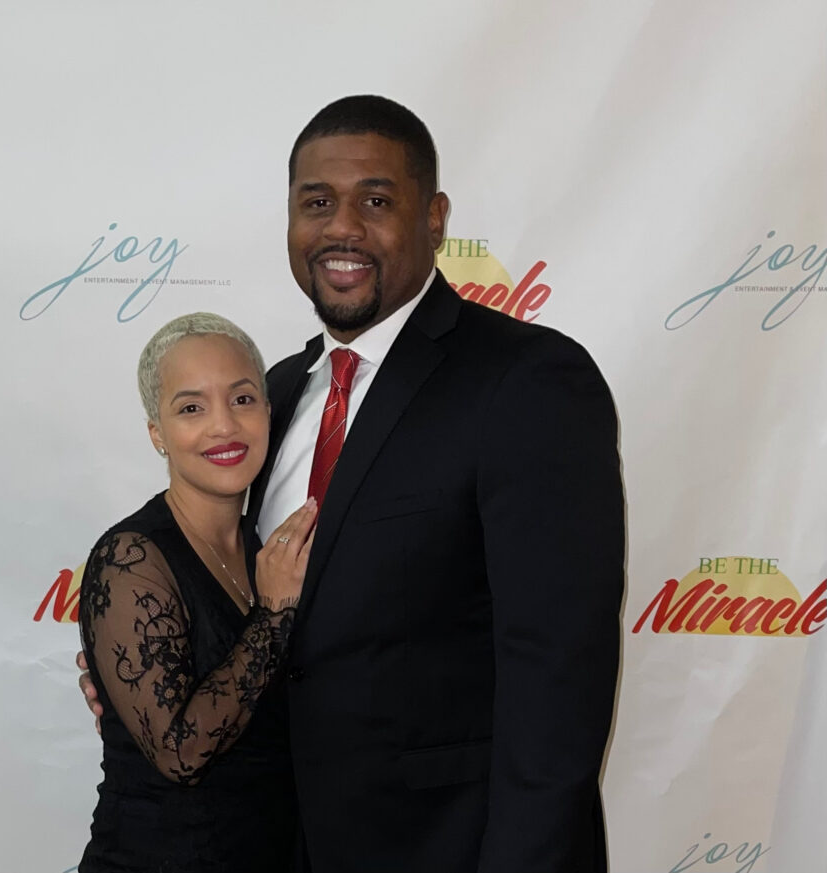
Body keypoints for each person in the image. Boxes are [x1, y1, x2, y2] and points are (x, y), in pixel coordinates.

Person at [82, 96, 625, 872]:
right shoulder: (271, 395)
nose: (341, 228)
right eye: (316, 203)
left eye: (375, 201)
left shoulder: (526, 382)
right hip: (274, 846)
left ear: (434, 218)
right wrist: (142, 681)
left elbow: (559, 679)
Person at [76, 312, 316, 873]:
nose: (223, 426)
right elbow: (180, 752)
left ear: (268, 411)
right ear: (157, 433)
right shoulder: (130, 559)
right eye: (191, 408)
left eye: (242, 399)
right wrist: (272, 615)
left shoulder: (266, 547)